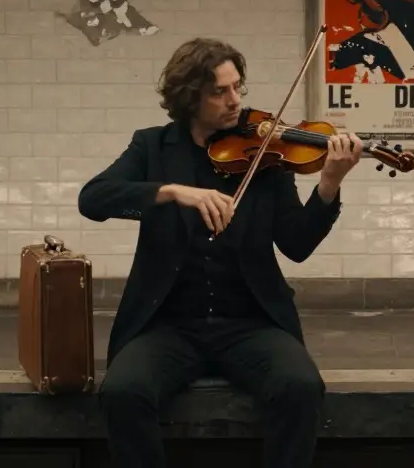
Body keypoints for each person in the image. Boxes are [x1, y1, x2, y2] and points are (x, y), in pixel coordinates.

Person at [78, 37, 364, 468]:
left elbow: (297, 244)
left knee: (300, 387)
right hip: (168, 324)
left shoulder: (266, 153)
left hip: (249, 322)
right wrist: (172, 192)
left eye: (237, 87)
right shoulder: (152, 147)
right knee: (122, 392)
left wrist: (329, 184)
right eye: (220, 91)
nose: (236, 101)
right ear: (189, 97)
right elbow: (93, 199)